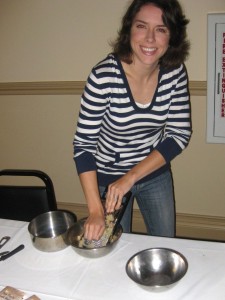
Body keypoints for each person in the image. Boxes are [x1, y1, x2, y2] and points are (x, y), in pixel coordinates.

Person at [73, 0, 192, 241]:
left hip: (153, 172)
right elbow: (83, 146)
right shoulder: (104, 77)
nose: (150, 38)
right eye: (141, 26)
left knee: (164, 241)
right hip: (109, 177)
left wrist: (131, 176)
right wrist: (96, 210)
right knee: (116, 246)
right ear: (129, 30)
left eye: (161, 29)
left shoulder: (175, 72)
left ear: (172, 37)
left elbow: (179, 135)